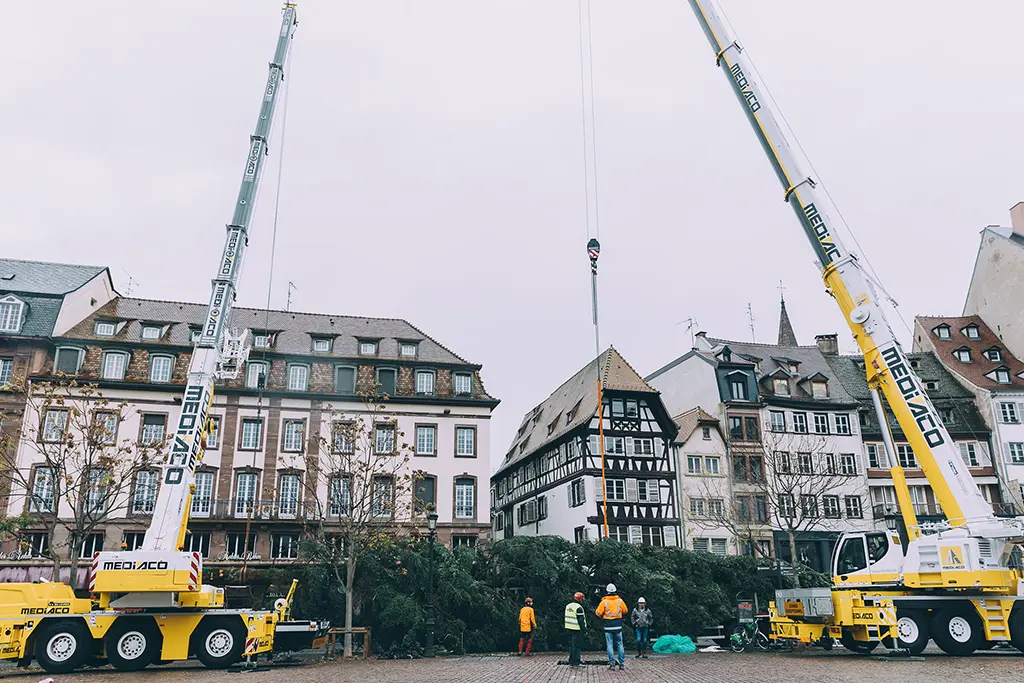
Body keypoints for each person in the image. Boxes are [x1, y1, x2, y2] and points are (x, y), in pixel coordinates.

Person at [596, 583, 628, 670]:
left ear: (607, 591)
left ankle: (612, 664)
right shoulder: (620, 601)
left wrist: (604, 615)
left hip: (608, 625)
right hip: (618, 625)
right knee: (620, 644)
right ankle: (621, 663)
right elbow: (625, 610)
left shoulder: (604, 602)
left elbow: (598, 613)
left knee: (609, 645)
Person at [564, 591, 587, 668]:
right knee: (577, 646)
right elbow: (580, 620)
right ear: (580, 599)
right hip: (576, 629)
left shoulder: (568, 606)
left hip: (568, 628)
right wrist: (584, 630)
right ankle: (576, 662)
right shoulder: (578, 608)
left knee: (571, 646)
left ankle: (571, 661)